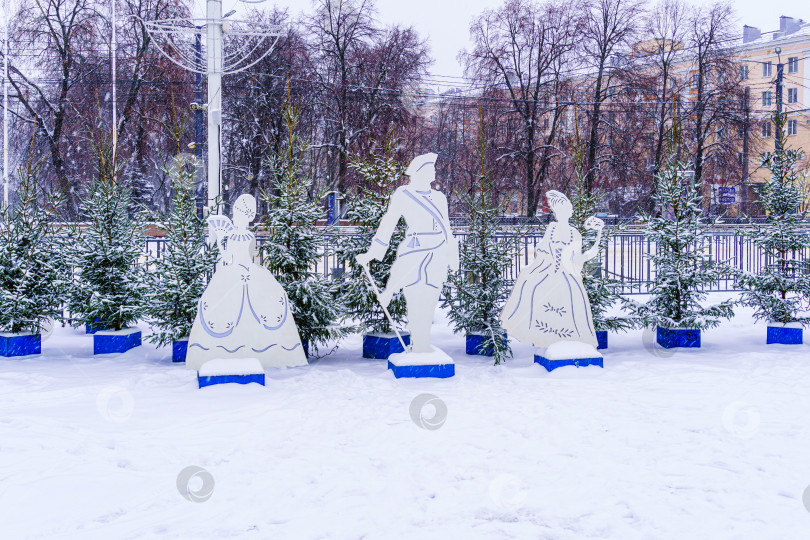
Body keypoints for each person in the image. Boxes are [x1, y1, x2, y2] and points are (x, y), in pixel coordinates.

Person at [186, 194, 307, 370]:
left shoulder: (240, 235)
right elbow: (248, 256)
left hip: (238, 273)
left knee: (236, 308)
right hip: (246, 272)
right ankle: (258, 348)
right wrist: (221, 240)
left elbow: (231, 257)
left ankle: (231, 349)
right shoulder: (244, 235)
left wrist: (222, 241)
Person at [356, 153, 459, 354]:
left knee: (430, 300)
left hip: (436, 253)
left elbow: (446, 227)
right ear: (420, 172)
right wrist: (373, 252)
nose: (435, 171)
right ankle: (417, 343)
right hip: (415, 251)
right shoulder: (404, 194)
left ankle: (423, 343)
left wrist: (451, 254)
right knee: (414, 299)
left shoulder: (439, 197)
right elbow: (389, 223)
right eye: (431, 168)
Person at [501, 190, 604, 348]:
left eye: (567, 210)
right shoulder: (552, 229)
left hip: (567, 275)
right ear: (557, 213)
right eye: (560, 211)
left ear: (570, 211)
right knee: (528, 282)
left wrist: (594, 246)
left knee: (574, 301)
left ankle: (571, 340)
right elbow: (542, 250)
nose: (564, 213)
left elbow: (577, 259)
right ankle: (537, 333)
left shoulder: (575, 234)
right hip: (548, 271)